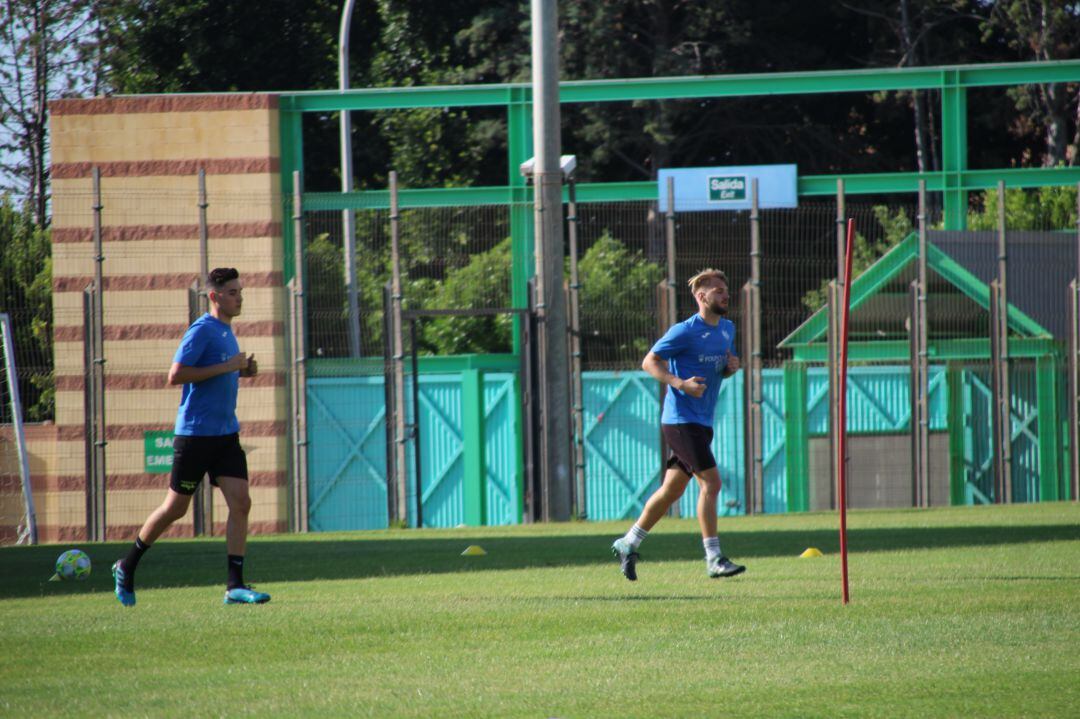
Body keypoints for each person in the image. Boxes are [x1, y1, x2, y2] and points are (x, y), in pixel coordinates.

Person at [112, 267, 270, 606]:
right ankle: (127, 565)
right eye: (232, 292)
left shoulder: (227, 331)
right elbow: (176, 374)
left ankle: (235, 585)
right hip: (195, 435)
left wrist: (243, 370)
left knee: (241, 502)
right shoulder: (202, 330)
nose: (239, 297)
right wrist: (228, 366)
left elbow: (220, 372)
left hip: (226, 434)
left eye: (240, 291)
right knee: (175, 509)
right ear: (214, 297)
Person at [611, 268, 746, 581]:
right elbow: (649, 362)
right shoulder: (684, 331)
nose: (726, 295)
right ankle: (714, 557)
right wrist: (680, 384)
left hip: (702, 421)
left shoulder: (727, 329)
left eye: (726, 290)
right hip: (680, 420)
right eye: (718, 291)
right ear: (701, 297)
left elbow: (722, 369)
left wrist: (730, 369)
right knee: (711, 484)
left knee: (672, 490)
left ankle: (628, 542)